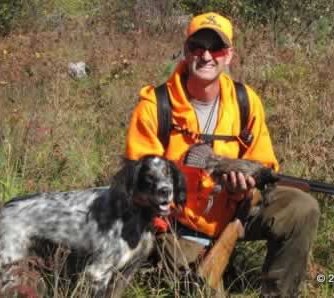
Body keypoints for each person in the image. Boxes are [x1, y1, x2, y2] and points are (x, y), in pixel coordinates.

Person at [124, 12, 320, 297]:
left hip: (234, 212)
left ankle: (279, 293)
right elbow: (138, 181)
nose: (206, 56)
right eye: (197, 46)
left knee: (303, 207)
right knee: (202, 292)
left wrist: (243, 190)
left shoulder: (245, 100)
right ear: (185, 50)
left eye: (216, 48)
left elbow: (263, 162)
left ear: (229, 55)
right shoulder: (156, 106)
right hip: (180, 227)